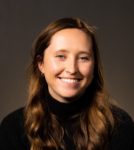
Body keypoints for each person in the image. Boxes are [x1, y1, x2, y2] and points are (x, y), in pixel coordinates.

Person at [0, 17, 134, 150]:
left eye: (83, 58)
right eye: (61, 56)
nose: (72, 69)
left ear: (94, 66)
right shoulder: (13, 128)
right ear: (41, 64)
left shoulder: (119, 126)